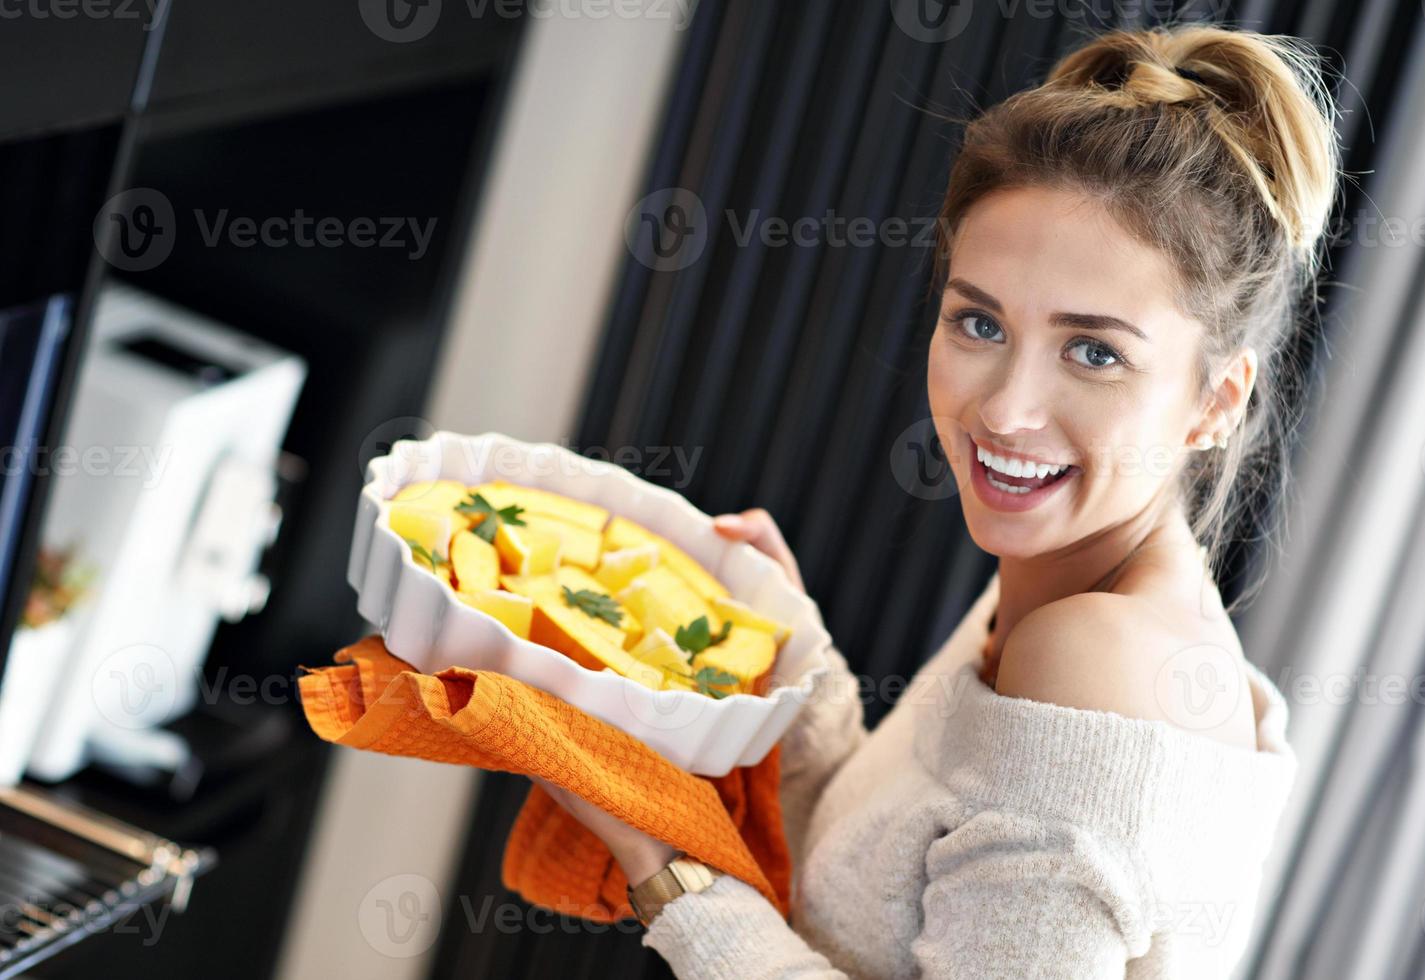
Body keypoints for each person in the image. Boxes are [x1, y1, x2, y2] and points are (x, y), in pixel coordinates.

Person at [532, 20, 1341, 977]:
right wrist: (798, 667)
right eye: (979, 322)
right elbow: (883, 890)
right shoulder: (1057, 581)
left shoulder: (1095, 658)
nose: (1006, 408)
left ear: (1215, 399)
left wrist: (659, 866)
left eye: (1095, 352)